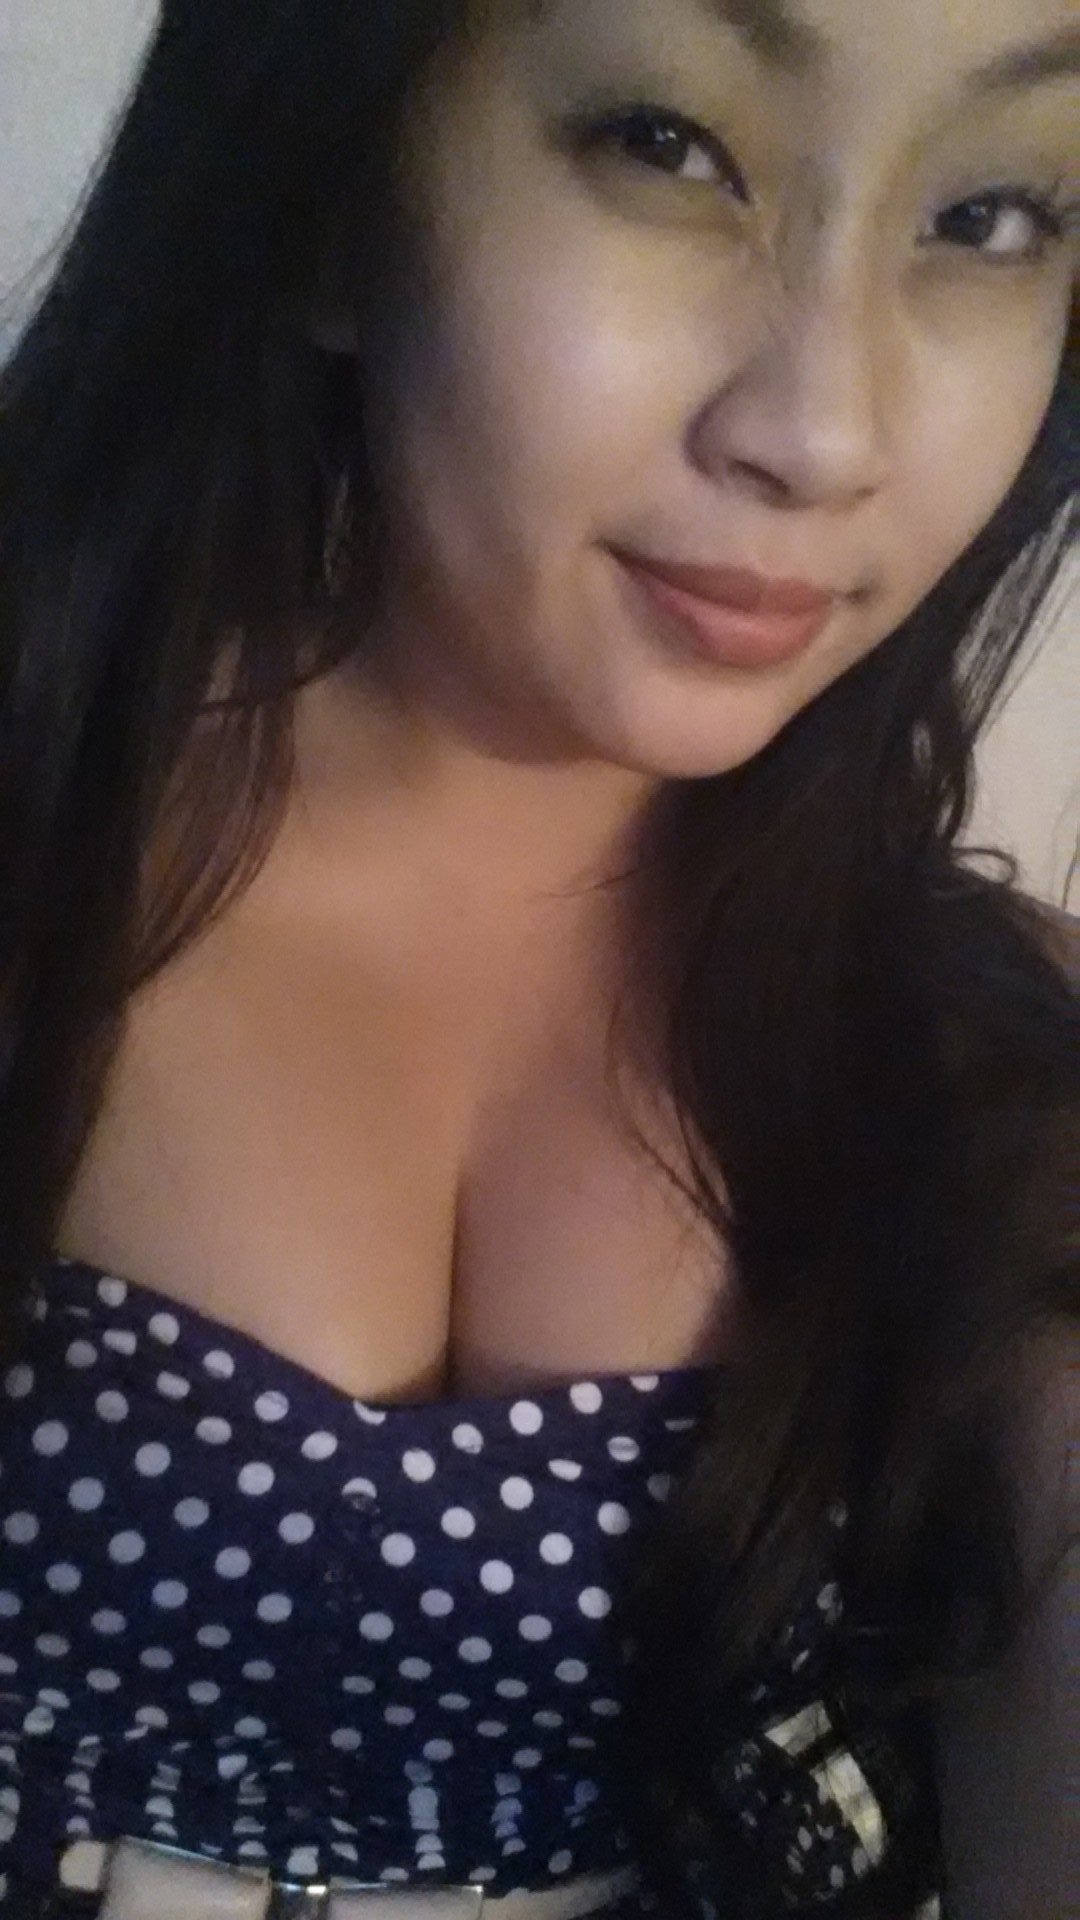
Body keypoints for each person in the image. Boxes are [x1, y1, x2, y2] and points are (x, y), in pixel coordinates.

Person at [0, 0, 1076, 1914]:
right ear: (334, 192)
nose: (824, 432)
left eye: (989, 216)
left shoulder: (989, 1058)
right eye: (669, 145)